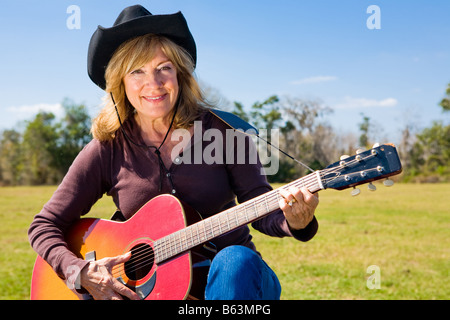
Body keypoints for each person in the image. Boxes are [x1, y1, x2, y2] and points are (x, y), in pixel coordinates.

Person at [28, 5, 319, 300]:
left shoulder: (225, 132)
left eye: (163, 68)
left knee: (235, 261)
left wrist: (296, 220)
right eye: (137, 71)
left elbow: (261, 209)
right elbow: (44, 225)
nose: (153, 84)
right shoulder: (108, 148)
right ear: (120, 83)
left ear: (180, 74)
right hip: (156, 291)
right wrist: (79, 272)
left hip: (237, 284)